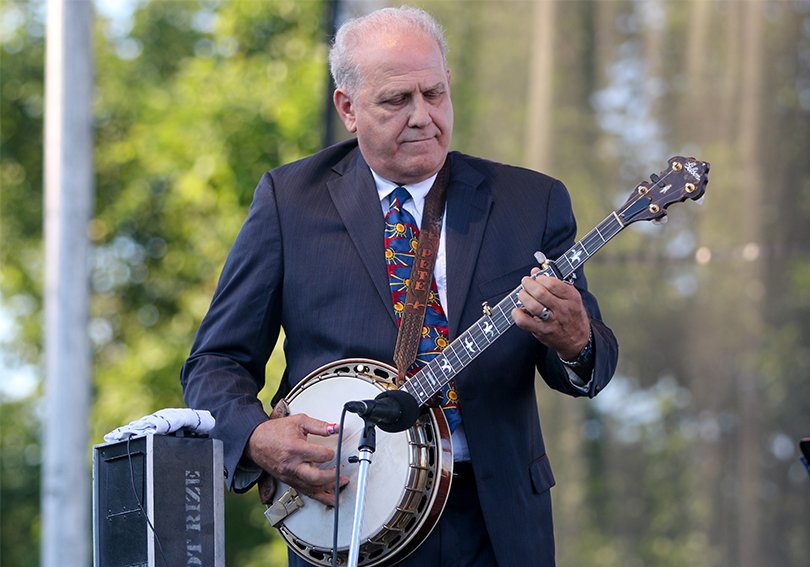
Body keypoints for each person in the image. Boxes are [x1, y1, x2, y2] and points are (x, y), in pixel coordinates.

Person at [181, 6, 618, 567]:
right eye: (396, 100)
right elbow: (215, 362)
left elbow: (589, 364)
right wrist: (257, 438)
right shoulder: (290, 202)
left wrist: (576, 341)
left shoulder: (532, 202)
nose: (422, 117)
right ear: (348, 108)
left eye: (434, 94)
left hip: (498, 521)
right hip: (348, 514)